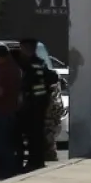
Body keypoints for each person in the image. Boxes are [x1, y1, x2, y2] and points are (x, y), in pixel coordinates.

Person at [16, 38, 56, 172]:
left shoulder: (29, 64)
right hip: (38, 103)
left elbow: (27, 82)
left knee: (33, 134)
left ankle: (34, 161)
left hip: (31, 104)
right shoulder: (40, 62)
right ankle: (36, 161)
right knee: (35, 134)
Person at [0, 44, 22, 178]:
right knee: (10, 140)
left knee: (2, 141)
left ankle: (5, 170)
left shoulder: (3, 70)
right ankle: (11, 167)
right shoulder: (15, 68)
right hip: (12, 108)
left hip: (1, 109)